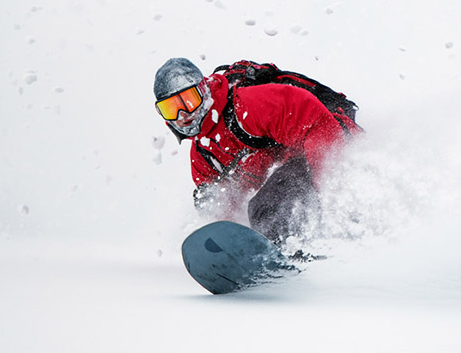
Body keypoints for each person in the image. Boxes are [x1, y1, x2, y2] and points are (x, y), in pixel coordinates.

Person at [153, 57, 359, 246]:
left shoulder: (249, 106)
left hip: (334, 138)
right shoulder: (204, 155)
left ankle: (296, 253)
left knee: (268, 206)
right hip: (291, 167)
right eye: (171, 109)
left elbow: (319, 128)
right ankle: (277, 249)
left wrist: (331, 193)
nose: (183, 115)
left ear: (204, 90)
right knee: (262, 208)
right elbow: (223, 208)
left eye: (189, 100)